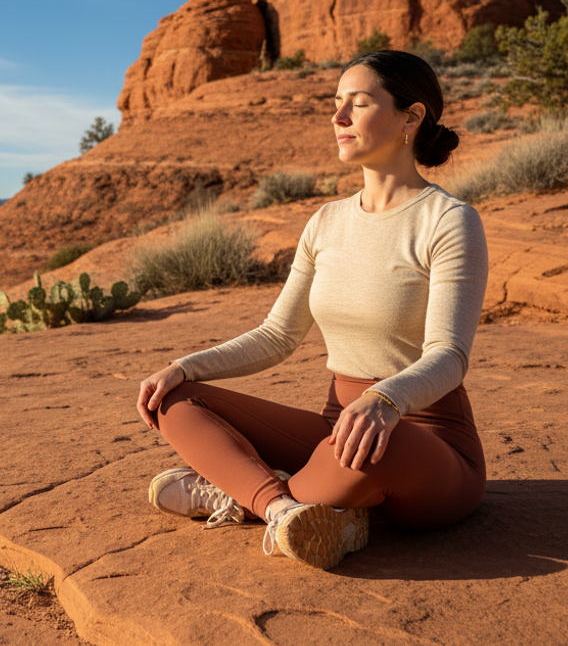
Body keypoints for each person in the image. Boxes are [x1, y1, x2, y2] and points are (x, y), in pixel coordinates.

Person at [136, 49, 488, 570]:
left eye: (359, 103)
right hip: (335, 435)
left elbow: (449, 354)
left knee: (374, 447)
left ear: (411, 117)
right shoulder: (326, 222)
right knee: (175, 400)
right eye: (337, 104)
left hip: (423, 440)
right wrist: (185, 366)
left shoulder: (448, 221)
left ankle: (245, 492)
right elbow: (277, 334)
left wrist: (385, 400)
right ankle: (284, 508)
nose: (338, 118)